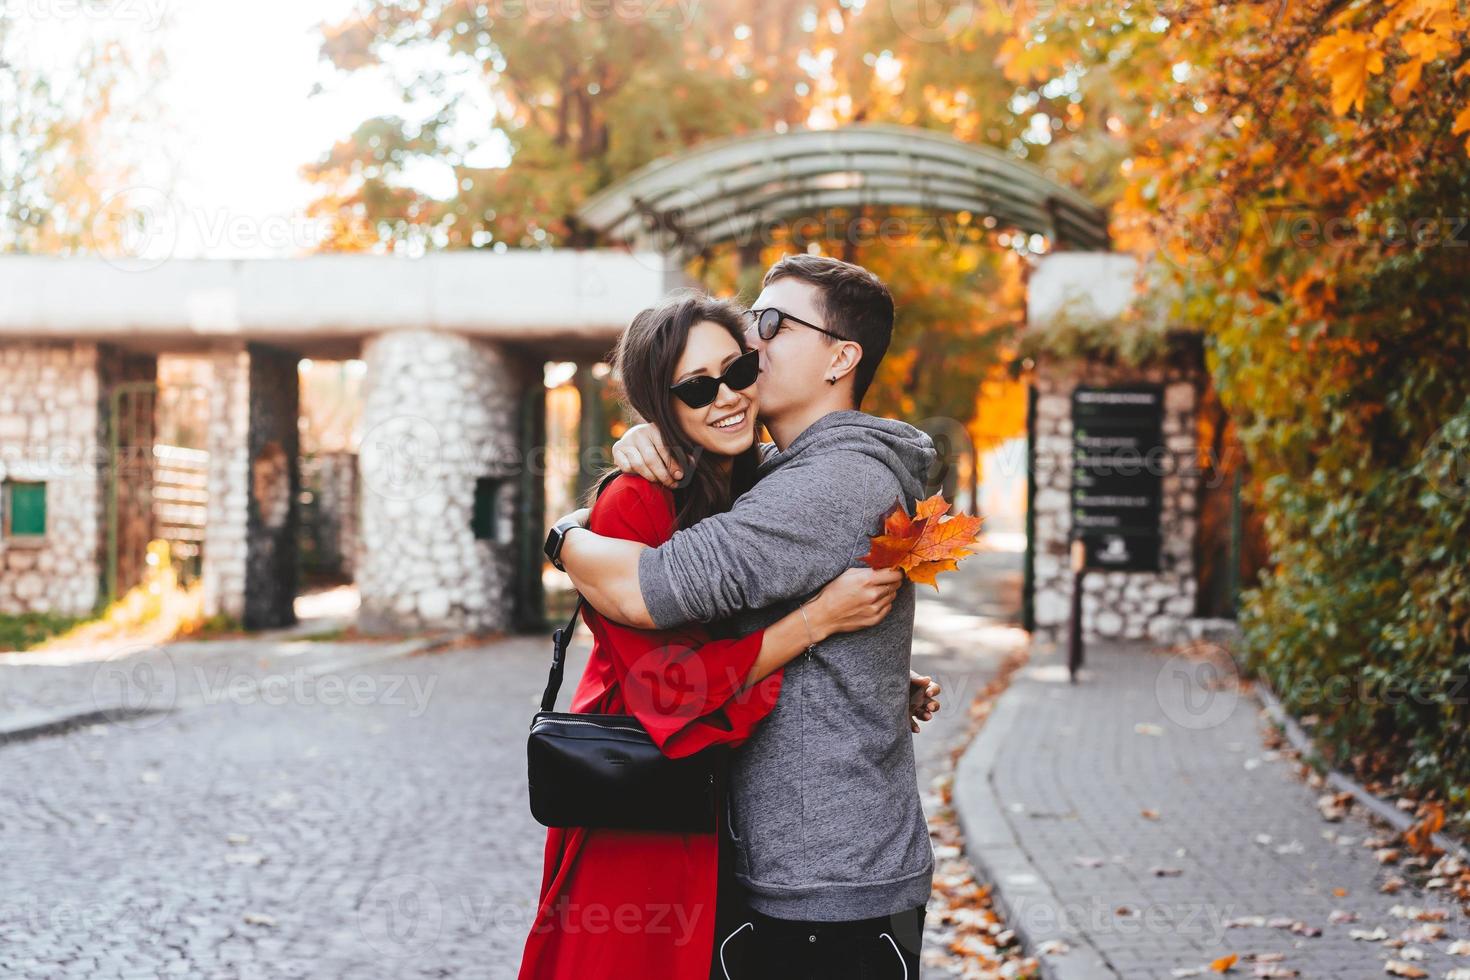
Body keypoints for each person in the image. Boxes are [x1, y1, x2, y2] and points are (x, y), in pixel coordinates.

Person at [517, 293, 937, 980]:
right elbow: (668, 685)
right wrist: (818, 622)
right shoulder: (646, 493)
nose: (729, 395)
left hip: (713, 825)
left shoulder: (750, 481)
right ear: (662, 400)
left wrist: (870, 673)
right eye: (695, 387)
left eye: (738, 369)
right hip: (644, 816)